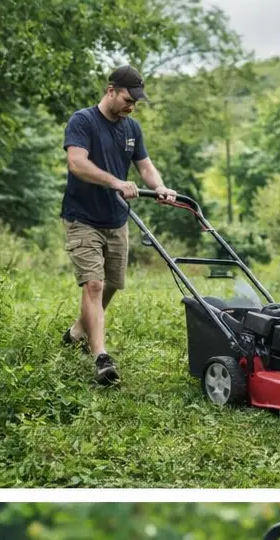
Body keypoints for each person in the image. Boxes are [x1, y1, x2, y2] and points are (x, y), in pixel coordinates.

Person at [60, 66, 177, 386]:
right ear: (111, 90)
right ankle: (100, 357)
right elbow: (77, 163)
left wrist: (161, 187)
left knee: (113, 283)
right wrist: (115, 181)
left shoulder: (132, 128)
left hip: (117, 219)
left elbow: (145, 165)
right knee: (94, 284)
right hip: (82, 218)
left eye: (136, 102)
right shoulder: (82, 121)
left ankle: (76, 332)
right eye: (128, 99)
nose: (131, 106)